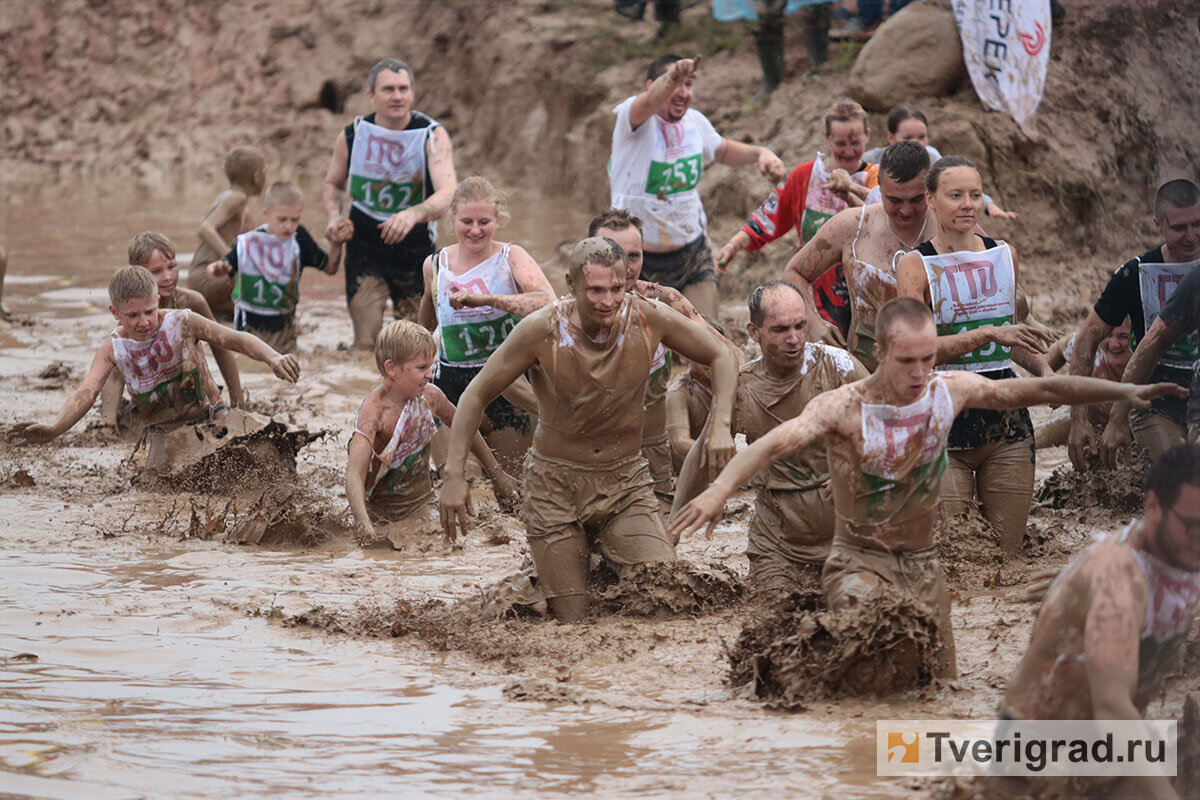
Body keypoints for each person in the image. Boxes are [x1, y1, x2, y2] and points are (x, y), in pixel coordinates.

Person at [670, 297, 1185, 677]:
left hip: (923, 565)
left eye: (926, 359)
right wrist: (717, 492)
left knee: (941, 685)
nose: (919, 373)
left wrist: (1126, 388)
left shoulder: (949, 392)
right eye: (905, 361)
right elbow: (771, 445)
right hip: (857, 564)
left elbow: (1043, 387)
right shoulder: (843, 406)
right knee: (873, 671)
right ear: (882, 353)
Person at [439, 237, 739, 621]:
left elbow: (722, 355)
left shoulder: (648, 318)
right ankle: (529, 588)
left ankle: (585, 565)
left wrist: (721, 426)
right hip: (554, 487)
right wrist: (453, 474)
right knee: (573, 621)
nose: (608, 301)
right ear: (571, 286)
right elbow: (476, 393)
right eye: (595, 290)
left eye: (616, 289)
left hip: (625, 482)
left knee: (666, 596)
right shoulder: (541, 330)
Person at [1001, 444, 1199, 800]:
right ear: (1153, 507)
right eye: (1194, 526)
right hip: (1036, 758)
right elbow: (1112, 707)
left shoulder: (1181, 546)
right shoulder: (1118, 579)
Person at [896, 156, 1055, 556]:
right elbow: (914, 353)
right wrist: (985, 332)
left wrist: (1044, 369)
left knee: (1007, 555)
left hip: (1005, 414)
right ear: (930, 200)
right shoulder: (915, 266)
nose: (967, 204)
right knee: (956, 556)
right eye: (955, 195)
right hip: (943, 414)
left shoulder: (1004, 254)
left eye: (975, 194)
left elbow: (1011, 338)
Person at [674, 281, 868, 594]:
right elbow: (701, 455)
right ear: (754, 332)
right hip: (778, 541)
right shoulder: (740, 387)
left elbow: (889, 424)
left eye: (800, 326)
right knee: (770, 618)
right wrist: (672, 529)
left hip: (849, 535)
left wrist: (861, 464)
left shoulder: (839, 367)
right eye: (780, 330)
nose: (793, 339)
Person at [6, 266, 300, 458]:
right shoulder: (113, 348)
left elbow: (233, 339)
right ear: (115, 312)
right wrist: (56, 428)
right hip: (163, 435)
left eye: (149, 311)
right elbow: (87, 391)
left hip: (210, 418)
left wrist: (273, 357)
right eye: (132, 316)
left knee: (270, 450)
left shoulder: (182, 322)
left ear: (158, 300)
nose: (144, 322)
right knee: (155, 496)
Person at [608, 55, 786, 318]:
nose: (682, 92)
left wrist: (760, 153)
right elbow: (650, 102)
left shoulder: (695, 122)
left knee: (707, 337)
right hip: (635, 258)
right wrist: (672, 77)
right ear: (651, 85)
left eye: (689, 85)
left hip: (691, 250)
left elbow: (722, 150)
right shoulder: (633, 118)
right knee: (641, 348)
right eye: (675, 84)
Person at [416, 176, 555, 475]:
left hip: (508, 386)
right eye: (467, 221)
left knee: (514, 487)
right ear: (452, 219)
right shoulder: (435, 264)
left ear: (498, 220)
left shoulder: (511, 256)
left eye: (484, 222)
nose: (475, 230)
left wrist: (488, 301)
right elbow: (424, 325)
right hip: (450, 388)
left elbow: (547, 302)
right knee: (460, 480)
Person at [322, 58, 458, 349]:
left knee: (414, 345)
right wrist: (334, 217)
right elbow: (333, 183)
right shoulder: (353, 134)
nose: (397, 96)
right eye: (388, 89)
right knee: (366, 343)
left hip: (415, 249)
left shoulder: (431, 135)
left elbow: (448, 193)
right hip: (365, 248)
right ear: (372, 95)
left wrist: (412, 214)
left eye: (403, 88)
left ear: (412, 94)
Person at [346, 320, 518, 548]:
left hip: (423, 504)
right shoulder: (373, 414)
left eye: (431, 366)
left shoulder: (431, 397)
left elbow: (465, 425)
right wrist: (363, 525)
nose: (429, 374)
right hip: (378, 513)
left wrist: (497, 475)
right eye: (421, 368)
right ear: (391, 368)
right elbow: (353, 475)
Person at [715, 99, 879, 336]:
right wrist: (734, 245)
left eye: (856, 143)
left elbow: (884, 223)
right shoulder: (805, 176)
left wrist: (852, 194)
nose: (848, 151)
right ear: (827, 138)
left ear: (868, 136)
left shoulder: (876, 180)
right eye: (840, 143)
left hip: (864, 294)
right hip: (815, 293)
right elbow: (768, 217)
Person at [1069, 179, 1200, 470]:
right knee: (1181, 476)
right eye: (1180, 228)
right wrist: (1079, 420)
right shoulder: (1134, 274)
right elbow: (1087, 339)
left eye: (1197, 224)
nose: (1191, 236)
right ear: (1158, 225)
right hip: (1154, 399)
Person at [100, 232, 245, 432]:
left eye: (172, 266)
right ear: (138, 274)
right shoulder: (129, 325)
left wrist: (238, 401)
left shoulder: (191, 302)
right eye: (157, 271)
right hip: (159, 406)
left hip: (195, 396)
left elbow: (221, 346)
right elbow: (113, 373)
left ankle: (214, 409)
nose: (168, 276)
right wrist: (107, 423)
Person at [206, 181, 340, 354]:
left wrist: (337, 245)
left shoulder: (299, 239)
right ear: (266, 214)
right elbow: (224, 264)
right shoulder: (250, 242)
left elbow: (329, 267)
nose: (289, 226)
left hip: (285, 333)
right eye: (282, 219)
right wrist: (217, 269)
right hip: (249, 332)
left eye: (295, 220)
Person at [1101, 260, 1200, 461]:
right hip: (1160, 396)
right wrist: (1117, 416)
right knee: (1181, 475)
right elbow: (1155, 341)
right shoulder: (1196, 282)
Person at [861, 106, 1014, 219]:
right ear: (890, 137)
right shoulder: (876, 158)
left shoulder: (931, 159)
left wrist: (989, 206)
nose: (916, 143)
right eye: (908, 138)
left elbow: (959, 180)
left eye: (922, 137)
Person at [186, 145, 267, 318]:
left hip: (203, 277)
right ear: (257, 177)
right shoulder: (237, 198)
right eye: (265, 172)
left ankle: (219, 313)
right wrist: (234, 260)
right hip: (207, 278)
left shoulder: (235, 202)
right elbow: (205, 229)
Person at [1033, 319, 1132, 449]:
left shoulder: (1148, 356)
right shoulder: (1090, 348)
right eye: (1108, 335)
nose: (1114, 344)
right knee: (1033, 440)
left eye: (1124, 337)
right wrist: (1046, 379)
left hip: (1132, 425)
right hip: (1091, 417)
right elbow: (1058, 348)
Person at [666, 315, 727, 471]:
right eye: (702, 352)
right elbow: (680, 443)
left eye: (716, 351)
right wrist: (726, 457)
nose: (710, 360)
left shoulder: (732, 383)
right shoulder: (678, 393)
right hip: (686, 469)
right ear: (683, 356)